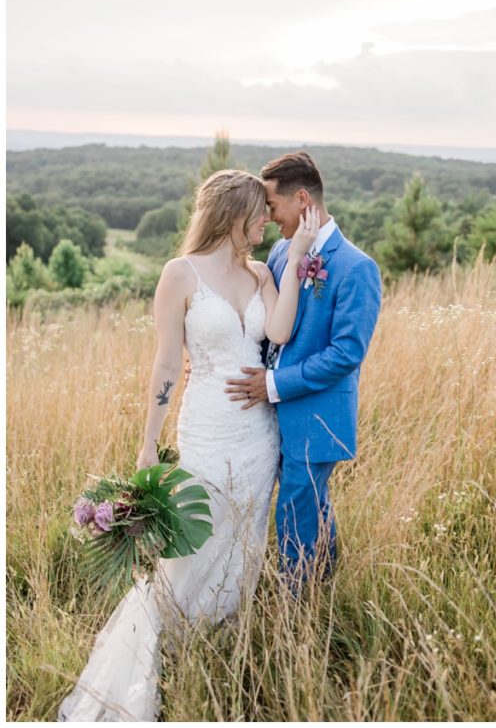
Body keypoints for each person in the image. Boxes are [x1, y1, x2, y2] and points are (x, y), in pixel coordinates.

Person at [59, 170, 319, 721]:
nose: (267, 220)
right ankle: (161, 646)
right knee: (194, 541)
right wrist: (147, 444)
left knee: (242, 539)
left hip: (258, 433)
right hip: (205, 427)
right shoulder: (180, 274)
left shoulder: (258, 274)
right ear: (232, 215)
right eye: (260, 211)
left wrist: (294, 258)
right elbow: (166, 361)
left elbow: (277, 333)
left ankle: (216, 643)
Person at [224, 151, 382, 584]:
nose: (268, 216)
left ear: (301, 199)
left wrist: (274, 383)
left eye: (272, 206)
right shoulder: (280, 251)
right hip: (270, 413)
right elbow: (267, 325)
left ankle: (298, 607)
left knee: (295, 512)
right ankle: (322, 582)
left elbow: (346, 354)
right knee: (312, 505)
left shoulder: (356, 267)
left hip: (316, 419)